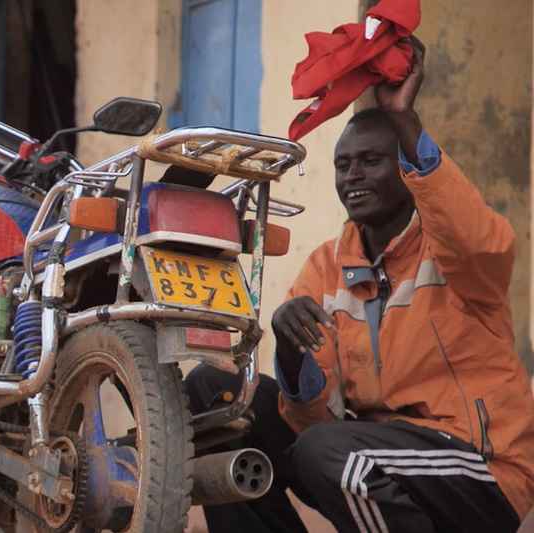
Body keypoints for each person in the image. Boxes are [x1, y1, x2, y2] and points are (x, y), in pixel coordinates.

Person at [186, 36, 534, 533]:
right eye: (343, 165)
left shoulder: (456, 251)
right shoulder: (328, 264)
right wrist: (289, 352)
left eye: (370, 161)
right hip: (367, 454)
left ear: (406, 170)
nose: (353, 175)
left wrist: (404, 118)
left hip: (480, 468)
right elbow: (314, 420)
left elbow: (478, 239)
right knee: (216, 393)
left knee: (326, 451)